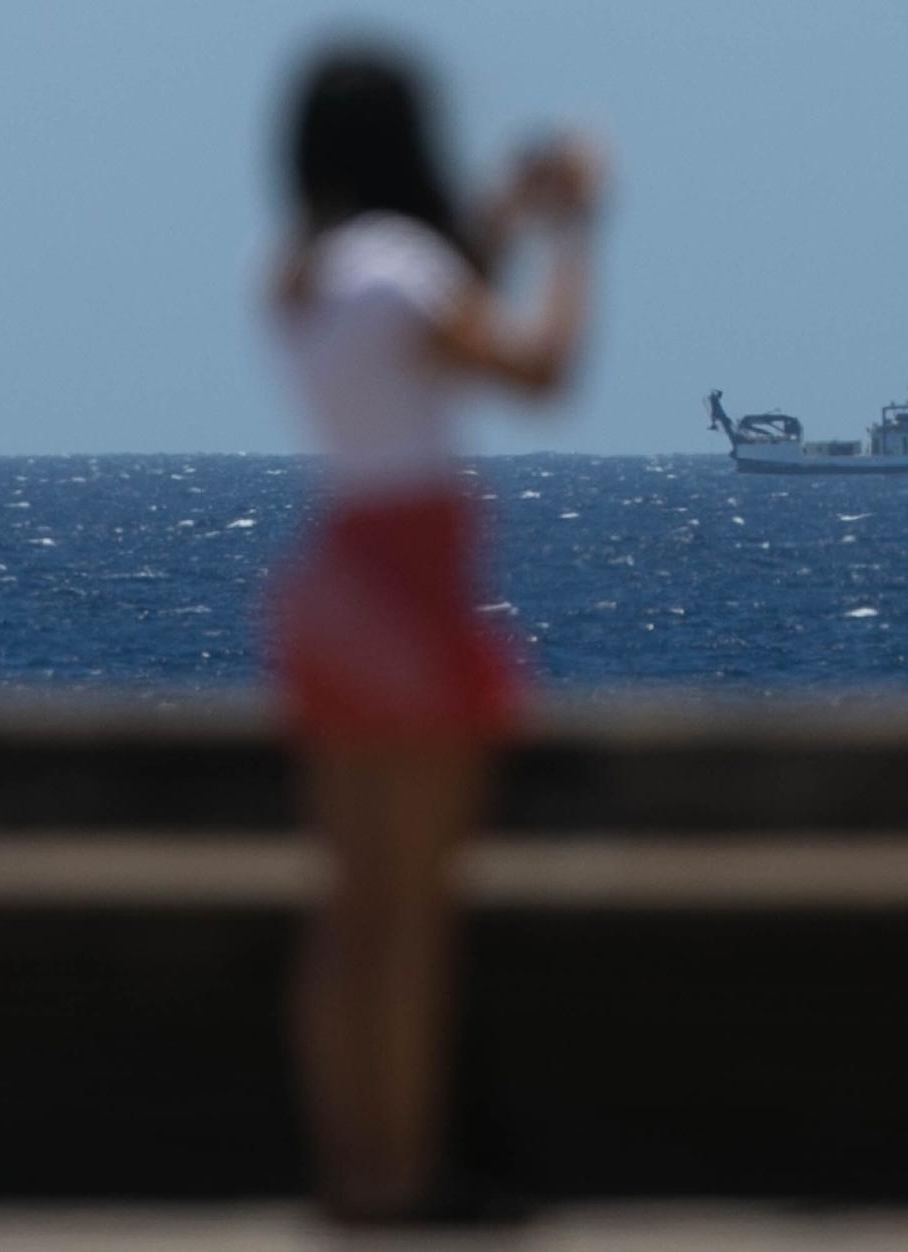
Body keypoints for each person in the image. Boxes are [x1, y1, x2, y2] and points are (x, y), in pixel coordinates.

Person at [267, 41, 600, 1222]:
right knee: (412, 916)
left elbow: (423, 298)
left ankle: (347, 1168)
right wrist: (572, 240)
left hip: (331, 577)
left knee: (348, 906)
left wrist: (499, 214)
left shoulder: (304, 276)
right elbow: (537, 370)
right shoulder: (402, 273)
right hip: (412, 586)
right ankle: (404, 1172)